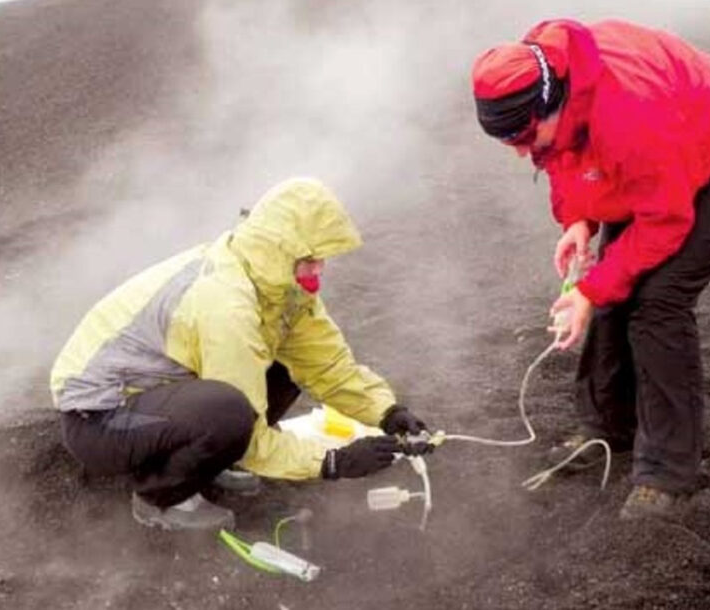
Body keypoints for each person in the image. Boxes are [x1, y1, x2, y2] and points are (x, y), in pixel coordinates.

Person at [471, 19, 710, 519]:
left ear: (553, 102)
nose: (521, 152)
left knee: (658, 302)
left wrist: (589, 291)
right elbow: (562, 156)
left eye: (526, 136)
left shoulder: (628, 115)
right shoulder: (548, 82)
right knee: (615, 287)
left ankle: (667, 470)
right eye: (508, 142)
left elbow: (665, 220)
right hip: (670, 159)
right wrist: (578, 221)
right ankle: (607, 426)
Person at [50, 178, 430, 530]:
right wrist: (332, 462)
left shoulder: (278, 289)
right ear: (280, 250)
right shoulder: (225, 304)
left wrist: (386, 412)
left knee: (284, 366)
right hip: (98, 420)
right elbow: (248, 429)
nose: (319, 269)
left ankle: (207, 463)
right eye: (311, 259)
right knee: (228, 414)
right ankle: (160, 497)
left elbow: (327, 364)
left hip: (158, 398)